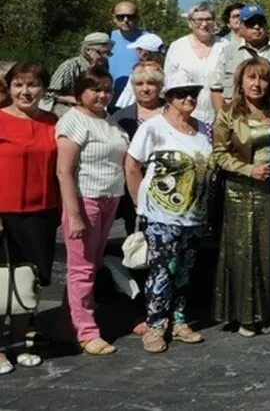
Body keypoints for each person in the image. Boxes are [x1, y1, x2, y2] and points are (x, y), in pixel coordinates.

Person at [125, 71, 214, 353]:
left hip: (194, 216)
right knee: (161, 272)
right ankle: (154, 326)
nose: (188, 98)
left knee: (184, 272)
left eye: (193, 93)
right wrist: (141, 205)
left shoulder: (203, 129)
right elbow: (131, 165)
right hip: (161, 216)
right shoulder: (154, 127)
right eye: (181, 93)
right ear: (169, 97)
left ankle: (179, 320)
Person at [55, 66, 128, 356]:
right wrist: (73, 215)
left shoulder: (108, 120)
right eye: (95, 89)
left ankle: (67, 326)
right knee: (82, 269)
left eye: (107, 89)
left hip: (110, 199)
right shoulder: (74, 121)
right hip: (86, 201)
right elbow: (64, 171)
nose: (102, 95)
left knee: (90, 266)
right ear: (80, 93)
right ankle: (86, 331)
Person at [212, 58, 270, 337]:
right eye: (251, 78)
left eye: (263, 78)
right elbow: (218, 154)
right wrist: (249, 169)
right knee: (242, 253)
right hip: (239, 191)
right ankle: (244, 315)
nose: (257, 84)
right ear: (240, 81)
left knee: (268, 252)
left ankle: (268, 312)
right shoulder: (229, 113)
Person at [0, 63, 59, 370]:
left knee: (28, 283)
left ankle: (19, 341)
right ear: (9, 88)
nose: (25, 91)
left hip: (42, 214)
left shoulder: (53, 121)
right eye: (19, 85)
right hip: (3, 214)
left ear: (43, 88)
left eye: (33, 85)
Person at [109, 63, 166, 232]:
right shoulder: (120, 116)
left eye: (151, 83)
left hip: (164, 185)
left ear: (160, 86)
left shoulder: (173, 112)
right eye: (139, 84)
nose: (145, 89)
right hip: (129, 185)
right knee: (134, 238)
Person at [211, 3, 270, 110]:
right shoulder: (228, 53)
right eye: (250, 23)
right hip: (237, 120)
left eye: (260, 22)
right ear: (242, 26)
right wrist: (223, 120)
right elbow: (216, 89)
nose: (256, 27)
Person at [165, 2, 225, 126]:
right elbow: (168, 85)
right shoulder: (177, 47)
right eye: (199, 20)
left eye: (208, 19)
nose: (204, 24)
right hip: (185, 118)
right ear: (190, 22)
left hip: (219, 119)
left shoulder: (225, 46)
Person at [44, 32, 112, 115]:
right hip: (66, 110)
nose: (106, 57)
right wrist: (73, 99)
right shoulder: (70, 66)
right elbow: (49, 95)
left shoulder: (103, 68)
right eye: (102, 53)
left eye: (108, 53)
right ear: (88, 50)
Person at [108, 1, 156, 104]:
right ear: (114, 18)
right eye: (121, 17)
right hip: (109, 101)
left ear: (137, 17)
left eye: (130, 16)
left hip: (140, 102)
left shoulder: (148, 40)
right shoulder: (106, 38)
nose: (126, 20)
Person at [112, 33, 167, 109]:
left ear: (143, 52)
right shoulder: (168, 71)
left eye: (138, 49)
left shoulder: (138, 74)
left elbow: (125, 103)